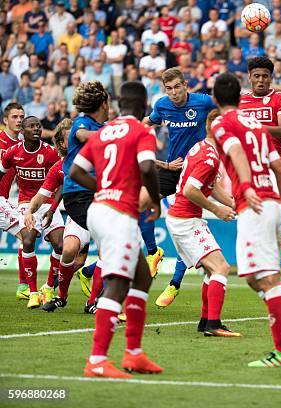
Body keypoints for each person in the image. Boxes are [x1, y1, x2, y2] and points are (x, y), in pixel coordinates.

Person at [210, 72, 281, 367]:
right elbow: (279, 168)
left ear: (216, 99)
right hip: (273, 203)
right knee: (254, 277)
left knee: (265, 279)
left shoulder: (221, 123)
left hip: (254, 204)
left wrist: (249, 185)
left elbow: (237, 152)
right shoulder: (257, 125)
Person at [71, 81, 162, 378]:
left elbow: (75, 171)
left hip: (101, 209)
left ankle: (133, 354)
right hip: (118, 213)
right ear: (144, 104)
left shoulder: (104, 132)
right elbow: (148, 168)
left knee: (142, 276)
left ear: (118, 104)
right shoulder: (142, 131)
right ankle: (97, 359)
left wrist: (104, 188)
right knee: (118, 285)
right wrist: (155, 201)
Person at [143, 68, 216, 308]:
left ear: (186, 85)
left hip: (196, 171)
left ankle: (175, 284)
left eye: (177, 87)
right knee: (143, 205)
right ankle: (153, 252)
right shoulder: (162, 105)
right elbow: (145, 126)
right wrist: (161, 162)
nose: (173, 93)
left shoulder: (203, 102)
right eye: (169, 89)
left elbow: (224, 112)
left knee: (185, 227)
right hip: (171, 167)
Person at [164, 109, 239, 337]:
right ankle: (214, 325)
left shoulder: (203, 148)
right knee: (221, 268)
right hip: (186, 220)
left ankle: (206, 321)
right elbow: (190, 190)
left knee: (211, 270)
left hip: (184, 218)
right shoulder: (209, 157)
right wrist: (218, 210)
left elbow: (212, 186)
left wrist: (236, 204)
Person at [239, 56, 281, 311]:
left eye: (265, 76)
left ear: (271, 78)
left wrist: (251, 126)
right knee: (254, 225)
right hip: (245, 170)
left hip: (272, 167)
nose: (261, 80)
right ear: (250, 77)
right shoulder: (240, 101)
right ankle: (267, 278)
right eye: (256, 75)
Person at [24, 119, 91, 311]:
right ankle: (60, 295)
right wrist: (30, 210)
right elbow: (42, 195)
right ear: (62, 143)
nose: (76, 139)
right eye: (70, 137)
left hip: (105, 213)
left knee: (106, 255)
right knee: (68, 251)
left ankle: (95, 301)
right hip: (80, 216)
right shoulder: (59, 168)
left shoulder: (97, 157)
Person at [0, 116, 64, 309]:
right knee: (27, 239)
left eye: (38, 126)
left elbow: (62, 181)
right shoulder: (12, 153)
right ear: (23, 132)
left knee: (60, 245)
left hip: (48, 203)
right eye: (32, 126)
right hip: (26, 204)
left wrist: (53, 207)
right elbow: (1, 173)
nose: (36, 129)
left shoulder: (51, 153)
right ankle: (33, 293)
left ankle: (49, 287)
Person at [62, 81, 108, 314]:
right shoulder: (83, 122)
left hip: (96, 193)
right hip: (78, 194)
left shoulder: (105, 126)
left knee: (110, 244)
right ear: (104, 103)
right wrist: (110, 134)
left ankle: (94, 297)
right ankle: (92, 298)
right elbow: (81, 135)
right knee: (111, 241)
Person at [0, 103, 27, 300]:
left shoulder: (22, 146)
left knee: (27, 235)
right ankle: (24, 286)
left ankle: (24, 286)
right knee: (26, 234)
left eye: (21, 117)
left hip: (5, 199)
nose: (19, 120)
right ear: (5, 120)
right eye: (15, 116)